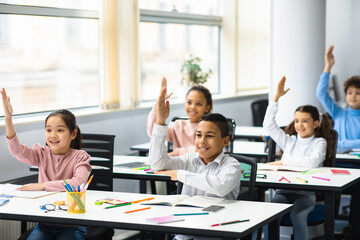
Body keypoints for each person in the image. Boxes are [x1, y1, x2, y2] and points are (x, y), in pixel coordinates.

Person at [149, 86, 241, 240]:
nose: (202, 141)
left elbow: (219, 186)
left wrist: (179, 174)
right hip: (186, 228)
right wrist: (160, 121)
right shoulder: (189, 159)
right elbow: (157, 164)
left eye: (209, 136)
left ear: (225, 141)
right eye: (198, 135)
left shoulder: (232, 165)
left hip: (216, 232)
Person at [1, 88, 91, 240]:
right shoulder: (41, 153)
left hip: (72, 224)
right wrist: (8, 118)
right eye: (48, 130)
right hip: (45, 224)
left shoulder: (81, 157)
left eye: (60, 130)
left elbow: (77, 184)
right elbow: (17, 151)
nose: (53, 135)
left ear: (73, 134)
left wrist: (42, 186)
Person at [263, 77, 333, 240]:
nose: (300, 125)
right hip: (284, 191)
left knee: (298, 215)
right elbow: (268, 125)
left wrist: (284, 162)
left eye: (305, 121)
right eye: (296, 121)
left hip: (305, 194)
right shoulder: (289, 141)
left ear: (315, 123)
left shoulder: (319, 142)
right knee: (268, 214)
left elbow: (312, 163)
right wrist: (275, 99)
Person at [147, 77, 213, 156]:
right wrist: (159, 103)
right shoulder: (179, 125)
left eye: (198, 104)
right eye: (189, 102)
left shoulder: (211, 127)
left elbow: (201, 151)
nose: (192, 107)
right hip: (178, 166)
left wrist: (176, 152)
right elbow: (153, 132)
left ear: (207, 107)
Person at [316, 45, 360, 153]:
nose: (353, 96)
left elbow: (336, 144)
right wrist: (328, 66)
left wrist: (338, 144)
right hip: (337, 161)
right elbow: (321, 94)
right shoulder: (339, 113)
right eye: (349, 93)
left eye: (358, 93)